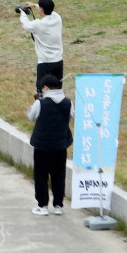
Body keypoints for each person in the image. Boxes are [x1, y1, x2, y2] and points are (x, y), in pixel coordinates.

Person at [27, 74, 72, 216]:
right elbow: (70, 117)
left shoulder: (40, 103)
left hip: (42, 145)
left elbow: (31, 117)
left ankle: (42, 206)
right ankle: (58, 205)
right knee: (59, 175)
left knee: (41, 176)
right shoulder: (68, 103)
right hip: (60, 145)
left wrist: (37, 101)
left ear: (45, 87)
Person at [18, 0, 64, 91]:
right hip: (58, 62)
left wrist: (23, 13)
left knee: (42, 91)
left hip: (45, 63)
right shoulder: (57, 18)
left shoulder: (38, 24)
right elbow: (49, 10)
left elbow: (26, 24)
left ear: (41, 9)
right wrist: (34, 5)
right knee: (57, 90)